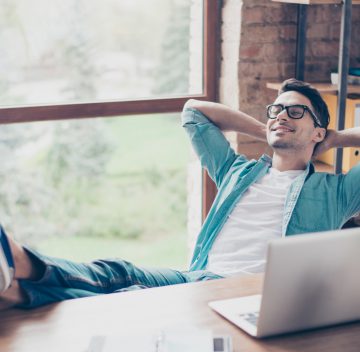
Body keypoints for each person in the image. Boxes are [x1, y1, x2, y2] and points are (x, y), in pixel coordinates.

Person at [1, 78, 360, 309]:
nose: (282, 115)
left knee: (131, 300)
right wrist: (271, 129)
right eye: (276, 109)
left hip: (249, 298)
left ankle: (18, 268)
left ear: (318, 132)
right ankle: (16, 286)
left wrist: (336, 138)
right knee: (120, 273)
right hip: (198, 277)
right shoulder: (237, 171)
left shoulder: (338, 190)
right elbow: (193, 113)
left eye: (296, 111)